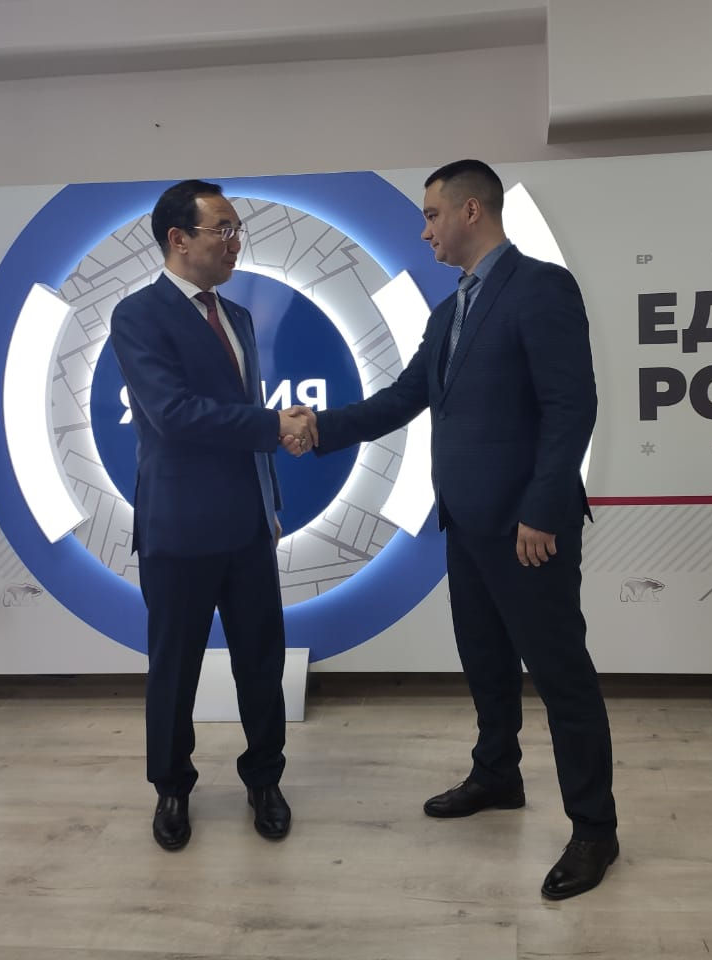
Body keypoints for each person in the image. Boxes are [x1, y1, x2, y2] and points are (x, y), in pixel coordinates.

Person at [292, 159, 618, 899]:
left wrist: (543, 509)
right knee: (486, 663)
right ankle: (498, 774)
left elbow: (572, 406)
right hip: (466, 525)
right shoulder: (449, 312)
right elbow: (403, 397)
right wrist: (322, 427)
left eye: (432, 214)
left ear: (472, 211)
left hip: (529, 530)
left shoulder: (542, 287)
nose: (425, 230)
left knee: (561, 677)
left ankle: (596, 829)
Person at [109, 180, 315, 851]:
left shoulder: (240, 317)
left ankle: (265, 780)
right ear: (178, 239)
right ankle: (172, 788)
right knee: (175, 670)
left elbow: (240, 418)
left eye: (236, 230)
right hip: (179, 529)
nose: (235, 241)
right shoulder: (137, 316)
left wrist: (269, 501)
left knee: (262, 662)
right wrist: (272, 425)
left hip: (248, 527)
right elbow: (173, 415)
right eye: (222, 229)